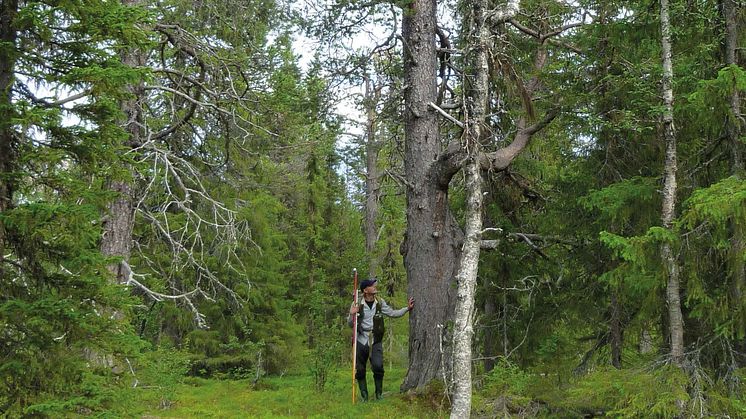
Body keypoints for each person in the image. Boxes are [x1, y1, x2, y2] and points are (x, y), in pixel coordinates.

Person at [348, 278, 414, 401]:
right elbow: (350, 325)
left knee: (378, 366)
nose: (375, 287)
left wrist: (407, 308)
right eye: (372, 286)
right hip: (361, 340)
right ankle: (364, 396)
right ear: (365, 290)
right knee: (360, 368)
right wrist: (352, 314)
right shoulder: (356, 303)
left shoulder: (380, 302)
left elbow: (393, 313)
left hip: (376, 340)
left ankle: (379, 395)